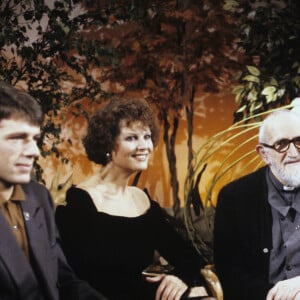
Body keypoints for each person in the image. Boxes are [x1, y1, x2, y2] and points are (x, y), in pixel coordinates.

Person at [55, 98, 215, 300]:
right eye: (131, 138)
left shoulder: (142, 201)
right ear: (107, 143)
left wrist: (178, 278)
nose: (144, 146)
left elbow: (189, 258)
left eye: (147, 136)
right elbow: (68, 279)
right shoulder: (76, 203)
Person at [0, 81, 107, 300]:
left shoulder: (38, 197)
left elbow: (63, 279)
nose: (33, 151)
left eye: (35, 139)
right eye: (17, 139)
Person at [214, 109, 300, 300]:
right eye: (282, 144)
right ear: (264, 153)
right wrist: (278, 296)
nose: (294, 153)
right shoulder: (235, 198)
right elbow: (229, 274)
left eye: (299, 141)